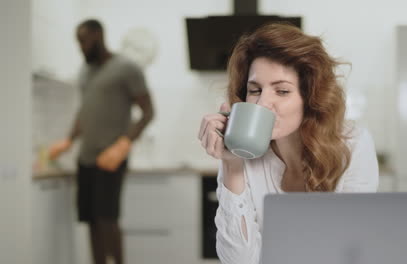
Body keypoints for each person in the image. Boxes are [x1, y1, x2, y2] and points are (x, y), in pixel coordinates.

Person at [197, 23, 379, 264]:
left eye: (281, 91)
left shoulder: (352, 144)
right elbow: (239, 261)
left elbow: (353, 251)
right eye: (254, 90)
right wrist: (233, 167)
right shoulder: (240, 152)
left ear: (310, 97)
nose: (262, 103)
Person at [48, 19, 154, 264]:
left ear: (98, 36)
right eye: (78, 42)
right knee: (91, 219)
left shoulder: (127, 68)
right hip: (86, 155)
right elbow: (84, 111)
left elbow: (148, 111)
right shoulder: (85, 71)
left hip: (111, 156)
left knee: (107, 219)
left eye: (83, 41)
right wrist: (69, 139)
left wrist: (124, 144)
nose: (81, 47)